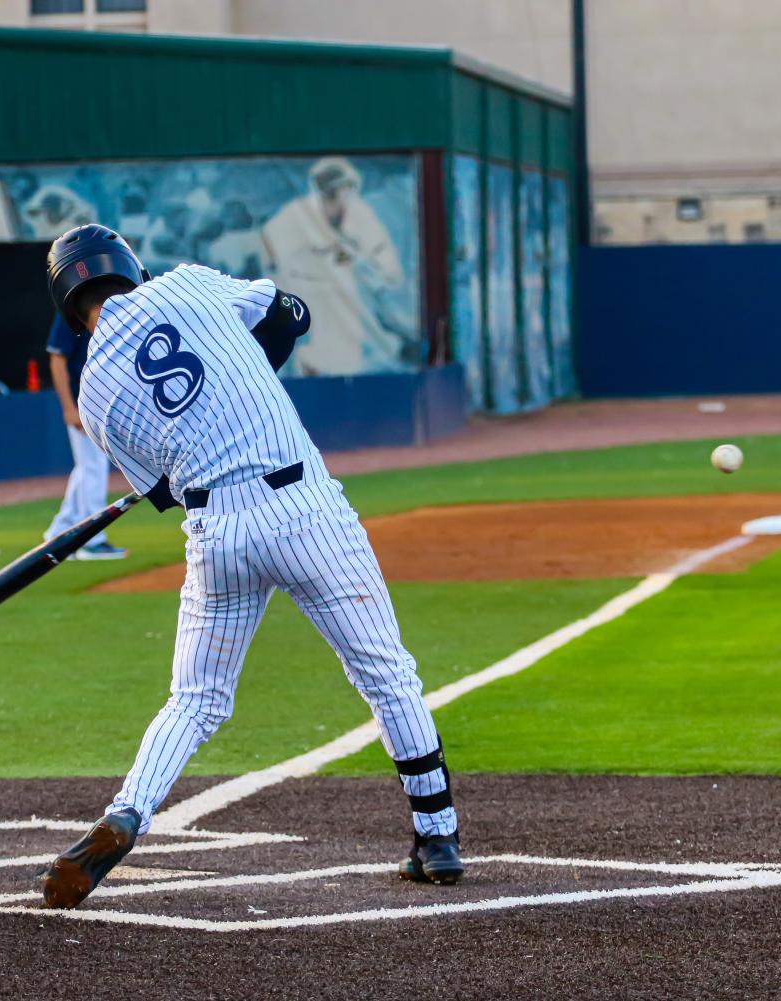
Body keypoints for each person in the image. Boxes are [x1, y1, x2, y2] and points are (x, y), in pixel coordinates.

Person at [34, 225, 461, 910]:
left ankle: (125, 812)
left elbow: (164, 491)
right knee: (385, 674)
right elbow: (292, 315)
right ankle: (436, 839)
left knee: (194, 700)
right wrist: (249, 364)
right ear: (127, 265)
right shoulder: (186, 283)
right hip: (303, 510)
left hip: (216, 533)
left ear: (65, 298)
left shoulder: (95, 396)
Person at [261, 157, 408, 376]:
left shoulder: (362, 216)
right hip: (308, 313)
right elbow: (270, 253)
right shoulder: (296, 215)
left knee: (350, 369)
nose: (337, 198)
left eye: (342, 190)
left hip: (355, 315)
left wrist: (358, 260)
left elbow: (391, 272)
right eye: (330, 191)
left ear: (350, 189)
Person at [43, 313, 125, 561]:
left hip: (100, 403)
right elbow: (56, 359)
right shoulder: (71, 312)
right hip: (82, 404)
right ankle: (92, 541)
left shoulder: (111, 312)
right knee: (92, 469)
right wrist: (69, 407)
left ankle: (60, 532)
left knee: (86, 468)